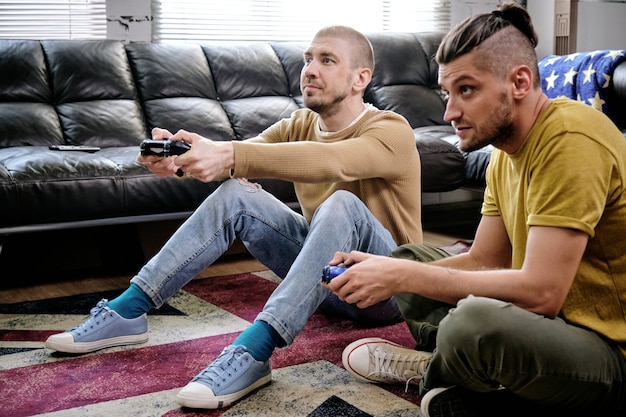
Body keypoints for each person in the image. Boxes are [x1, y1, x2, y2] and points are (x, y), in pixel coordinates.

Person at [45, 26, 423, 409]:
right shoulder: (299, 125)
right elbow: (241, 155)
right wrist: (179, 163)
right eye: (308, 59)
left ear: (361, 78)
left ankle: (253, 351)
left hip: (391, 291)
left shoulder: (391, 131)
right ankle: (128, 310)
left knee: (341, 202)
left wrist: (229, 155)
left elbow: (333, 160)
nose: (310, 69)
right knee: (237, 192)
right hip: (324, 284)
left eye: (327, 60)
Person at [331, 4, 626, 417]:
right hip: (551, 326)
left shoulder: (571, 138)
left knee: (472, 323)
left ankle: (447, 369)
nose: (450, 112)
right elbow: (485, 261)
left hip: (610, 351)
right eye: (447, 94)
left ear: (519, 81)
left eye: (466, 90)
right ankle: (462, 370)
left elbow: (543, 292)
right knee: (408, 257)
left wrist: (402, 277)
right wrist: (391, 270)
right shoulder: (505, 154)